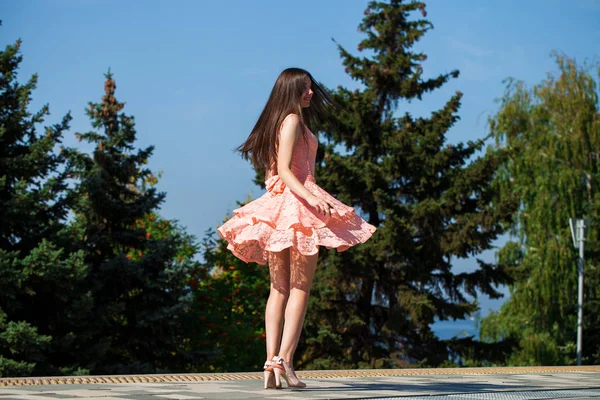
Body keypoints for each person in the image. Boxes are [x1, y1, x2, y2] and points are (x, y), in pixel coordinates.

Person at [218, 67, 376, 389]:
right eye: (304, 88)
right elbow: (289, 172)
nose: (310, 93)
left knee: (278, 288)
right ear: (290, 91)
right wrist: (311, 198)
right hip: (298, 204)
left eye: (310, 88)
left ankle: (269, 363)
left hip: (283, 205)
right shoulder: (291, 121)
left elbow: (276, 171)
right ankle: (285, 361)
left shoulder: (281, 122)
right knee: (299, 288)